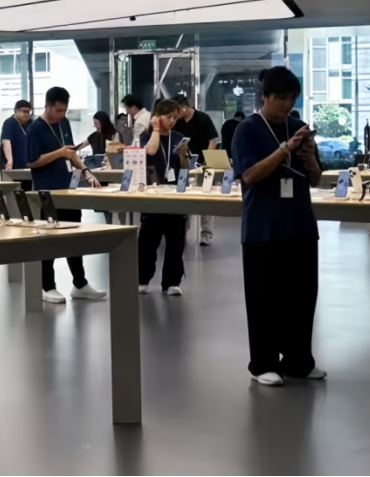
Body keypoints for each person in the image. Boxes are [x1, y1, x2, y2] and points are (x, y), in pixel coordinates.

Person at [231, 67, 325, 387]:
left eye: (292, 98)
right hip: (263, 227)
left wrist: (309, 157)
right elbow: (249, 175)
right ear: (265, 97)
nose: (287, 104)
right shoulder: (247, 129)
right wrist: (285, 149)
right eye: (281, 98)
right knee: (264, 298)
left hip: (300, 224)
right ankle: (263, 363)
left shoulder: (298, 127)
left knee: (303, 297)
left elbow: (314, 179)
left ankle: (299, 360)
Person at [27, 86, 107, 304]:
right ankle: (47, 286)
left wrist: (86, 171)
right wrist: (58, 154)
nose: (62, 114)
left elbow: (71, 153)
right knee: (49, 239)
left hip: (68, 189)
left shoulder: (64, 123)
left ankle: (80, 283)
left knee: (74, 236)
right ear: (48, 106)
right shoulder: (36, 128)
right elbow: (32, 161)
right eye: (59, 110)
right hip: (47, 191)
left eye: (65, 110)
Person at [138, 100, 189, 296]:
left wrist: (184, 157)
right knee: (147, 241)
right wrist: (156, 130)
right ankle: (143, 279)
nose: (172, 121)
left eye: (175, 117)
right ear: (157, 117)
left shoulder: (179, 137)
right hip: (153, 193)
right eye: (168, 117)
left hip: (175, 193)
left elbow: (185, 166)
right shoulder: (146, 136)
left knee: (175, 241)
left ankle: (172, 281)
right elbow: (150, 151)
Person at [172, 94, 220, 246]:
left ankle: (206, 233)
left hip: (203, 165)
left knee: (206, 200)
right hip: (185, 165)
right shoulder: (177, 122)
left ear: (184, 108)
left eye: (176, 110)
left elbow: (213, 141)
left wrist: (206, 162)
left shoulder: (202, 118)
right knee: (185, 201)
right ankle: (182, 234)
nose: (174, 115)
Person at [1, 100, 33, 187]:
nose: (26, 114)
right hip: (14, 167)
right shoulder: (10, 123)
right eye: (24, 111)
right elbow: (6, 142)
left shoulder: (29, 124)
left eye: (28, 112)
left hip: (27, 167)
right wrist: (10, 160)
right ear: (16, 110)